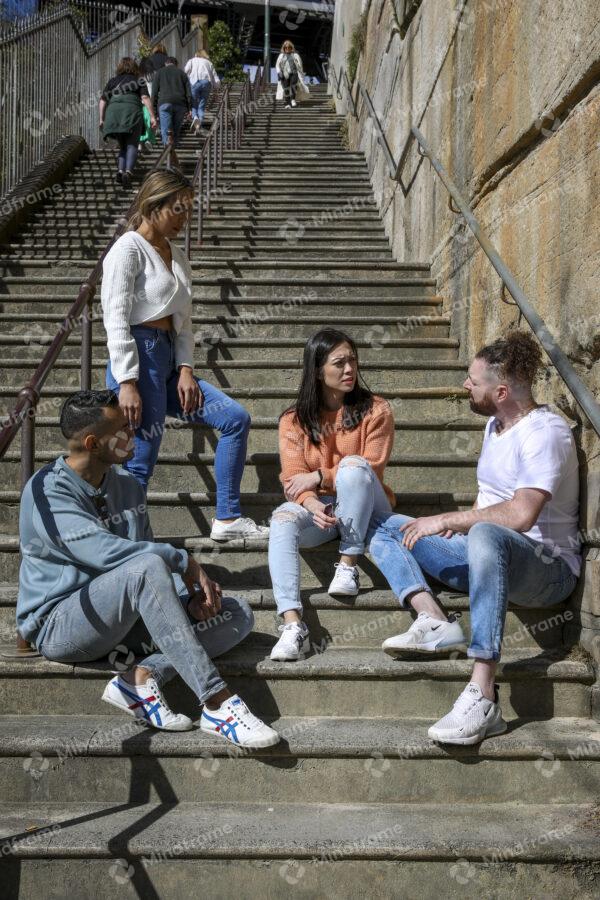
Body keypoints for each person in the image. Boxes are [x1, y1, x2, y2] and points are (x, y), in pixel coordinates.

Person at [16, 390, 279, 747]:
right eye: (123, 429)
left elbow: (151, 566)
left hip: (125, 621)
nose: (135, 434)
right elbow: (104, 553)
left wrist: (188, 602)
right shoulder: (46, 491)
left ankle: (140, 677)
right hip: (63, 625)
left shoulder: (128, 487)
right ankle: (217, 703)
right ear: (93, 443)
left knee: (235, 614)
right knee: (145, 568)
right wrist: (181, 559)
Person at [371, 331, 581, 745]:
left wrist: (456, 519)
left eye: (474, 380)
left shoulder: (545, 433)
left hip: (547, 572)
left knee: (486, 531)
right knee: (386, 524)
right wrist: (455, 525)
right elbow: (489, 499)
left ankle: (483, 692)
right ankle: (434, 619)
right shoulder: (494, 425)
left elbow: (520, 515)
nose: (465, 385)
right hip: (486, 558)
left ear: (501, 391)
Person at [101, 168, 268, 542]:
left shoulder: (177, 256)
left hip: (170, 363)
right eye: (178, 209)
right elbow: (115, 318)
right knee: (140, 461)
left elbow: (185, 323)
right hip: (138, 359)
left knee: (234, 418)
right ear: (153, 204)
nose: (185, 218)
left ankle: (226, 518)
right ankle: (126, 547)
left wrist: (188, 368)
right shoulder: (128, 248)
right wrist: (127, 381)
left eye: (189, 210)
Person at [268, 329, 395, 661]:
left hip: (368, 505)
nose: (350, 369)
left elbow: (372, 470)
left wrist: (320, 475)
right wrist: (311, 503)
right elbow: (293, 480)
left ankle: (348, 562)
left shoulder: (376, 409)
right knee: (281, 519)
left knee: (353, 465)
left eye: (353, 360)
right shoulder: (293, 420)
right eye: (339, 363)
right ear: (317, 370)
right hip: (323, 510)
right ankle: (293, 625)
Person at [99, 57, 156, 189]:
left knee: (123, 146)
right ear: (134, 68)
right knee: (132, 145)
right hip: (131, 112)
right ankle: (128, 172)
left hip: (114, 114)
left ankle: (120, 171)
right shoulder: (139, 80)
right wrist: (152, 116)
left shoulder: (113, 81)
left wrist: (101, 119)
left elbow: (102, 100)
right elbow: (145, 98)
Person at [152, 56, 192, 150]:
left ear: (166, 63)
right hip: (180, 104)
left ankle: (168, 153)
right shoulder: (182, 73)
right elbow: (188, 93)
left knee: (165, 130)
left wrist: (154, 111)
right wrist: (189, 108)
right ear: (176, 64)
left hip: (164, 103)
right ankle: (174, 151)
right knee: (176, 130)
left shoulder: (159, 72)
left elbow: (154, 93)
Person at [185, 50, 220, 134]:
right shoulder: (209, 63)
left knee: (194, 103)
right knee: (202, 105)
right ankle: (199, 123)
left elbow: (185, 70)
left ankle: (195, 117)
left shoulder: (192, 60)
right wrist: (216, 89)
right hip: (206, 83)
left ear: (196, 54)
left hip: (195, 82)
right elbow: (215, 77)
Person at [275, 41, 308, 109]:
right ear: (284, 48)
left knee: (294, 84)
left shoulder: (295, 55)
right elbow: (277, 65)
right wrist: (279, 72)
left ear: (291, 48)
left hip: (294, 73)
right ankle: (287, 103)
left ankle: (293, 99)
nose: (287, 49)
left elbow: (300, 65)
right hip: (284, 74)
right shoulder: (281, 56)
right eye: (286, 47)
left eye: (289, 47)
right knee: (286, 88)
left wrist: (301, 73)